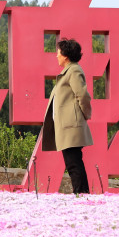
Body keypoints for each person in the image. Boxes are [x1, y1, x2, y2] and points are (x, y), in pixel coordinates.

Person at [41, 38, 93, 194]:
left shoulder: (74, 71)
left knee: (73, 163)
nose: (56, 56)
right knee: (73, 162)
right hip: (67, 126)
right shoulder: (68, 71)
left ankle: (81, 195)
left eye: (58, 53)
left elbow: (82, 95)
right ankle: (82, 194)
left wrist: (84, 115)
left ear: (66, 55)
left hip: (72, 126)